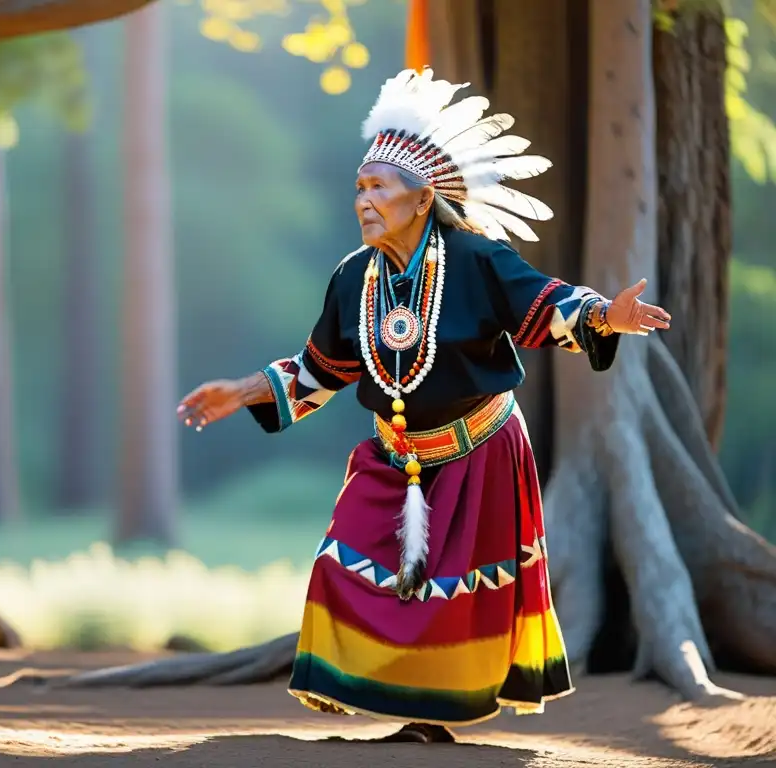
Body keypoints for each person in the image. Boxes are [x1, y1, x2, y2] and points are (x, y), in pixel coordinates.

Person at [176, 68, 671, 743]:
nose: (365, 199)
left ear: (420, 196)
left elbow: (544, 306)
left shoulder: (474, 260)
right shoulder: (353, 279)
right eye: (359, 187)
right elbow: (322, 372)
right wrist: (243, 390)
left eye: (378, 186)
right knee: (340, 560)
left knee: (453, 591)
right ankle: (358, 686)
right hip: (396, 452)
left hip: (480, 448)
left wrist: (606, 316)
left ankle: (429, 719)